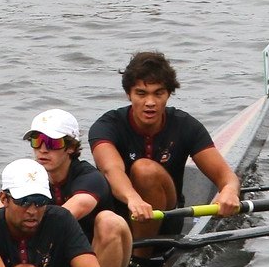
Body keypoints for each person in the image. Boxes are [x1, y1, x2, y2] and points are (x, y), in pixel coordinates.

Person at [88, 50, 241, 252]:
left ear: (168, 94)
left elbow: (228, 177)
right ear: (128, 94)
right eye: (141, 93)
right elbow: (111, 170)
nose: (150, 102)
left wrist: (229, 192)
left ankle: (141, 258)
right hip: (119, 214)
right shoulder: (106, 126)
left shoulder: (185, 125)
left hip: (165, 219)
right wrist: (133, 199)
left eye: (158, 93)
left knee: (145, 171)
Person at [0, 109, 133, 267]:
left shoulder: (91, 178)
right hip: (58, 265)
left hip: (97, 266)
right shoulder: (30, 178)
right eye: (36, 141)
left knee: (110, 221)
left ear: (70, 147)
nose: (43, 150)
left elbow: (66, 214)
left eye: (52, 143)